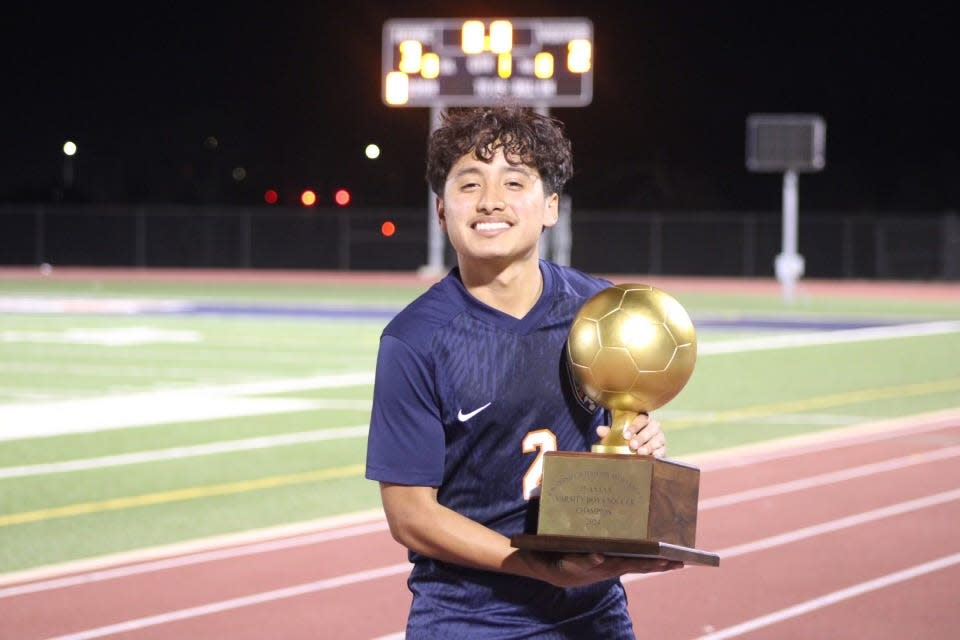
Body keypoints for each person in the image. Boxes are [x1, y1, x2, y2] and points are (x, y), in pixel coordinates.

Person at [365, 105, 680, 639]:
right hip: (469, 615)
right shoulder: (414, 339)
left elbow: (622, 424)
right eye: (469, 184)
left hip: (593, 612)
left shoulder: (600, 309)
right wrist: (534, 565)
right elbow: (411, 516)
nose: (491, 200)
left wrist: (640, 438)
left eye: (515, 181)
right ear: (441, 211)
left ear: (550, 206)